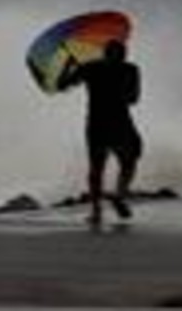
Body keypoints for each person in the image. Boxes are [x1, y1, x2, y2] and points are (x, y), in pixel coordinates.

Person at [57, 39, 143, 225]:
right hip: (121, 122)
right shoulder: (130, 70)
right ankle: (120, 194)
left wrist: (68, 66)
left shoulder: (91, 68)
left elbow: (62, 85)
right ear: (123, 55)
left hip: (96, 123)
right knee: (129, 160)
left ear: (105, 53)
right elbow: (134, 99)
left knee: (96, 168)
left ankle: (96, 212)